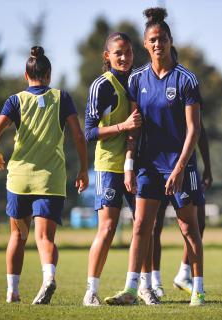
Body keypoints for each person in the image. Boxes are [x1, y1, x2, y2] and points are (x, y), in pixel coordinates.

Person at [105, 7, 206, 306]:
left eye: (162, 38)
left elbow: (194, 130)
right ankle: (132, 289)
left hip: (180, 166)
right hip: (148, 165)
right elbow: (135, 128)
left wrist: (179, 167)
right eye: (152, 39)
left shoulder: (186, 80)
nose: (157, 43)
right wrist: (129, 166)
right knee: (141, 226)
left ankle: (198, 289)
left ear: (170, 40)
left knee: (189, 227)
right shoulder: (137, 80)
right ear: (146, 44)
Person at [0, 46, 89, 304]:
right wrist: (84, 168)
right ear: (49, 74)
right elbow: (78, 135)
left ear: (25, 74)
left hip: (19, 180)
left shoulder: (15, 101)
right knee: (45, 237)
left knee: (18, 236)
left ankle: (12, 291)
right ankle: (48, 277)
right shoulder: (62, 98)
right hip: (50, 180)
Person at [82, 32, 142, 307]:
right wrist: (123, 126)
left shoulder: (137, 80)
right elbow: (90, 133)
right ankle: (91, 290)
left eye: (128, 52)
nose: (124, 57)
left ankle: (147, 286)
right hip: (108, 167)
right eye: (118, 52)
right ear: (107, 56)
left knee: (145, 227)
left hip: (137, 166)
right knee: (106, 230)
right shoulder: (101, 86)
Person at [151, 119, 212, 298]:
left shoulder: (189, 91)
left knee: (198, 223)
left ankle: (184, 274)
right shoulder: (151, 92)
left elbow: (199, 129)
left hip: (186, 166)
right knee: (154, 226)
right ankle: (154, 281)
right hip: (157, 164)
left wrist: (208, 167)